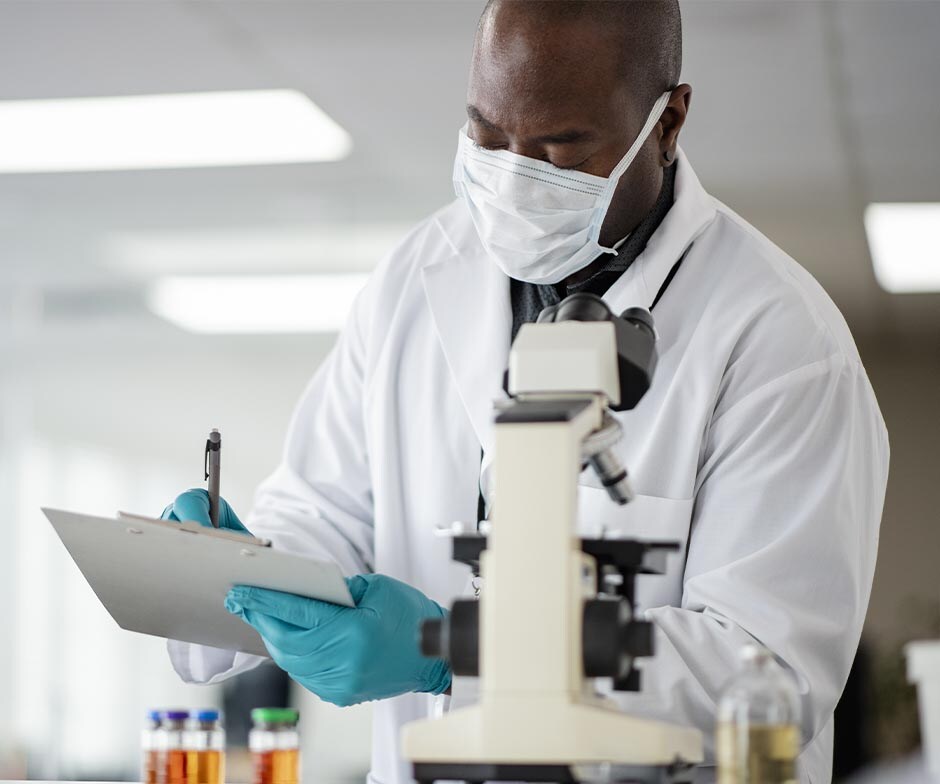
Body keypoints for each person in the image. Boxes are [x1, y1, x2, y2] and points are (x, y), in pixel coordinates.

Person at [162, 2, 889, 783]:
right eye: (485, 134)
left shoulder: (781, 339)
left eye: (559, 149)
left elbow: (764, 672)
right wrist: (242, 571)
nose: (513, 174)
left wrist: (458, 652)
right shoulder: (414, 277)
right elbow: (321, 510)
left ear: (668, 122)